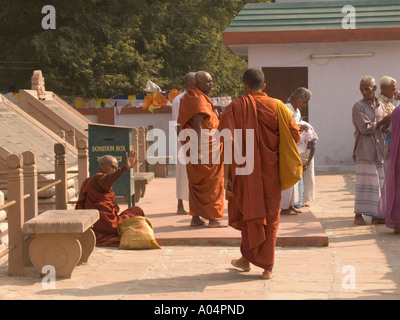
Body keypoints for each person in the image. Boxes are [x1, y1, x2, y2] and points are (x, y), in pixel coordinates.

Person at [218, 68, 302, 279]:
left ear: (244, 86)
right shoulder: (279, 106)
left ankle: (249, 259)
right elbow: (295, 135)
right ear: (264, 86)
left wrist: (226, 175)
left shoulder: (236, 106)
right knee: (271, 216)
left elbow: (227, 142)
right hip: (271, 172)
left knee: (249, 213)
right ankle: (265, 267)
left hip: (244, 173)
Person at [177, 71, 226, 228]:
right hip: (204, 147)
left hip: (198, 145)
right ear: (197, 83)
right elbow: (197, 125)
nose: (211, 84)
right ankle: (214, 219)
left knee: (196, 183)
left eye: (211, 81)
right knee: (212, 183)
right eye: (208, 81)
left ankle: (196, 217)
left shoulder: (189, 97)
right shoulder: (197, 99)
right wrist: (198, 151)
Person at [75, 150, 145, 246]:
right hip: (109, 224)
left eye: (116, 168)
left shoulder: (92, 181)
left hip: (96, 224)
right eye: (112, 167)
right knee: (137, 210)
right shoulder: (97, 178)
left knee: (132, 212)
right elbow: (107, 180)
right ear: (102, 165)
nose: (114, 170)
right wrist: (124, 168)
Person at [352, 76, 391, 226]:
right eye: (362, 89)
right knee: (364, 183)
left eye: (367, 88)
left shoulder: (380, 106)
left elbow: (382, 128)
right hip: (365, 150)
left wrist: (389, 125)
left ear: (374, 89)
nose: (364, 92)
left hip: (379, 150)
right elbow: (364, 129)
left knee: (378, 184)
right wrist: (382, 122)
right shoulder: (358, 107)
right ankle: (358, 215)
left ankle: (376, 215)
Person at [280, 87, 312, 215]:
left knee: (294, 176)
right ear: (297, 98)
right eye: (304, 102)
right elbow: (283, 126)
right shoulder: (286, 109)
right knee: (288, 176)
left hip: (295, 146)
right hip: (286, 146)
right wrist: (299, 126)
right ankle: (284, 206)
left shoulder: (296, 111)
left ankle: (291, 204)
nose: (304, 105)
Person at [171, 72, 195, 215]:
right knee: (182, 173)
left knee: (195, 174)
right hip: (183, 140)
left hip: (197, 140)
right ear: (186, 85)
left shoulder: (198, 98)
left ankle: (195, 205)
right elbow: (177, 123)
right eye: (192, 83)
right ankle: (180, 204)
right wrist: (183, 142)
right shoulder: (179, 99)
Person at [379, 106, 400, 233]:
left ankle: (397, 223)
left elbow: (391, 132)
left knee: (396, 188)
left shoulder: (397, 111)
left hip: (396, 155)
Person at [377, 76, 397, 169]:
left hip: (392, 143)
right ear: (384, 89)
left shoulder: (390, 102)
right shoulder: (378, 103)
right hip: (384, 144)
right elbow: (378, 124)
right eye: (392, 89)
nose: (394, 92)